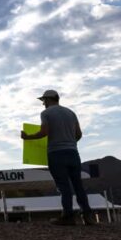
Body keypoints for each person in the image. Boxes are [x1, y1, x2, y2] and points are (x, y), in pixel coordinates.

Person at [21, 90, 95, 225]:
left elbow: (44, 132)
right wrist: (70, 143)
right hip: (73, 153)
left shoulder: (46, 113)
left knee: (63, 186)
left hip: (56, 153)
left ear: (49, 100)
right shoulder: (71, 113)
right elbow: (78, 134)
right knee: (78, 185)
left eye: (43, 101)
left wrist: (28, 137)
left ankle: (68, 217)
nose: (43, 103)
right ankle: (88, 216)